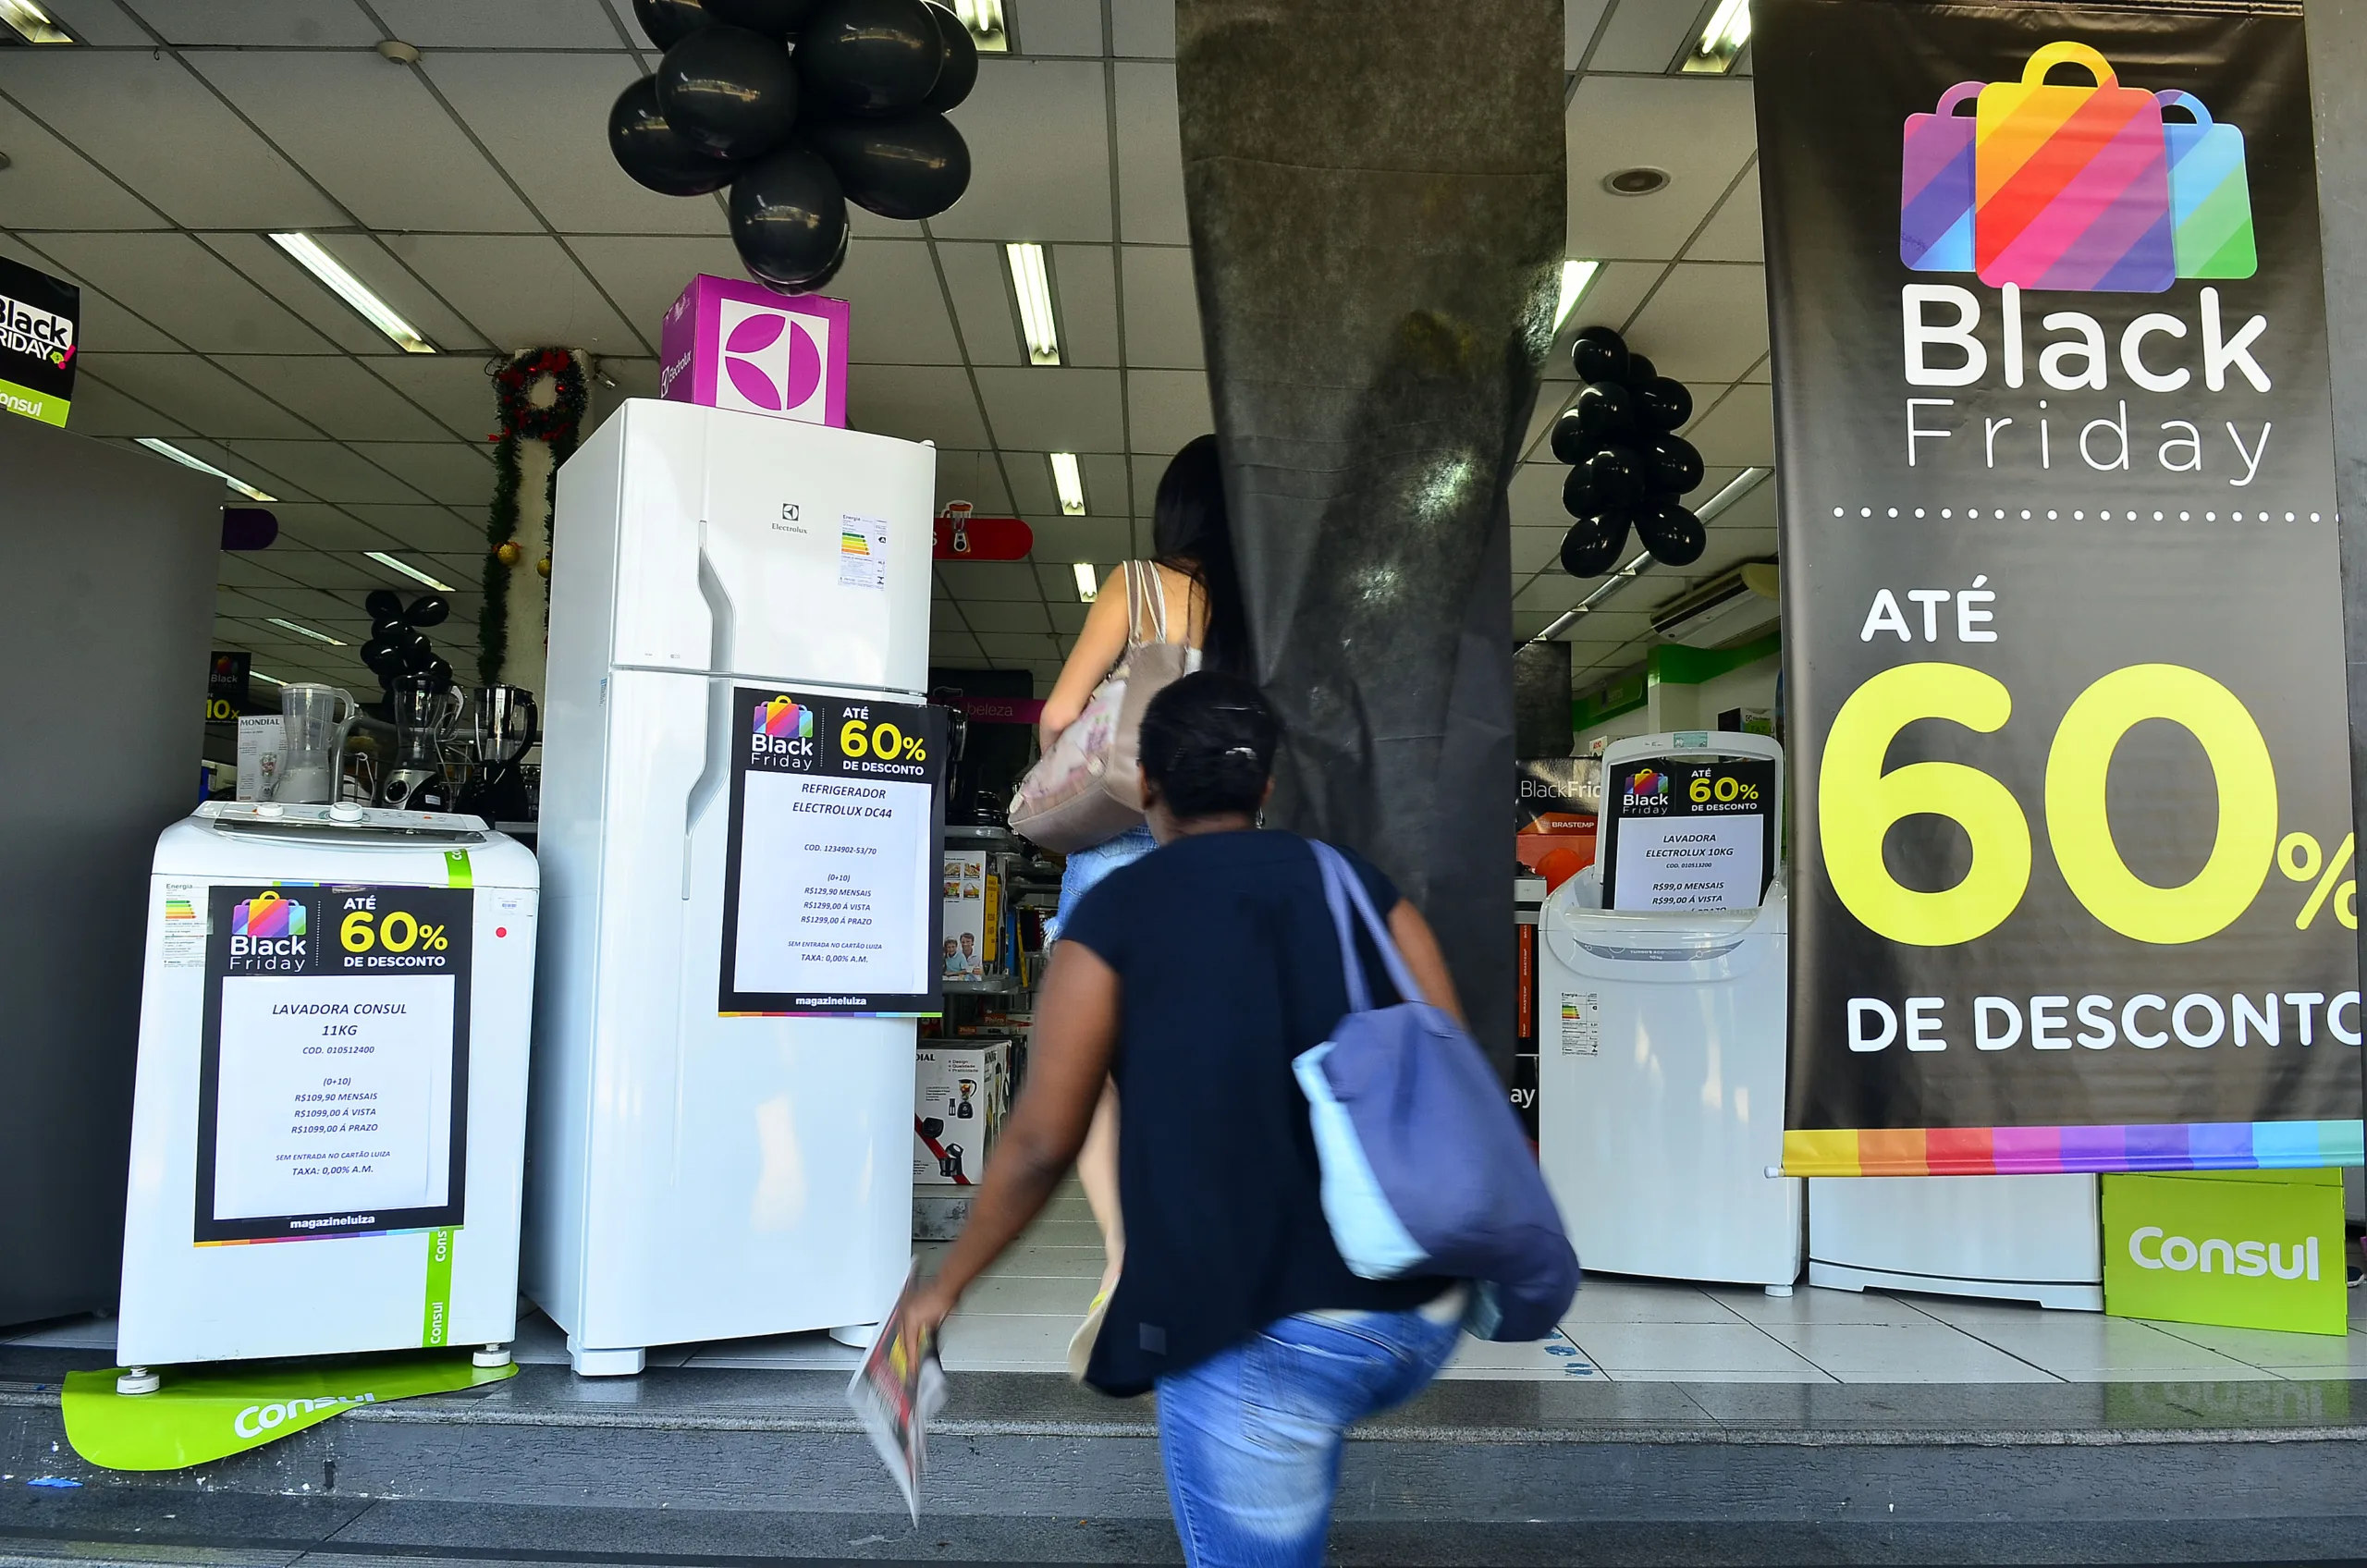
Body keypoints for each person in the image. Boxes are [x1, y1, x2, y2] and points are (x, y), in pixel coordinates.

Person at [909, 672, 1467, 1568]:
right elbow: (1451, 1064)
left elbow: (1042, 1140)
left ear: (1146, 788)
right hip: (1407, 1312)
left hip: (1253, 1330)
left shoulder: (1115, 916)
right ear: (1267, 788)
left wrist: (945, 1285)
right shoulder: (1358, 886)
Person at [1033, 434, 1248, 1366]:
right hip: (1219, 862)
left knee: (1092, 1071)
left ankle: (1126, 1259)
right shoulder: (1264, 610)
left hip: (1119, 853)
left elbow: (1055, 713)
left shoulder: (1140, 586)